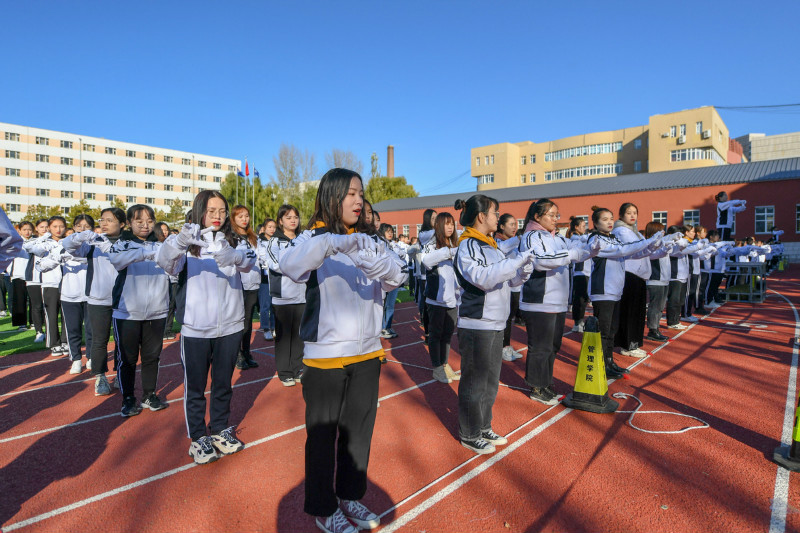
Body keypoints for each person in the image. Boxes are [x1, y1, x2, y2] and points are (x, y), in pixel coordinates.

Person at [279, 168, 406, 533]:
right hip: (326, 358)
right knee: (322, 438)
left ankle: (350, 495)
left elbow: (397, 276)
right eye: (350, 193)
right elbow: (290, 266)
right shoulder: (311, 237)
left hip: (368, 353)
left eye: (360, 193)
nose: (358, 200)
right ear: (332, 196)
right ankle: (324, 507)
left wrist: (373, 261)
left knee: (358, 435)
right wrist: (333, 242)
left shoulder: (371, 240)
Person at [157, 190, 256, 464]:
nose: (218, 216)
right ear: (200, 210)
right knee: (196, 387)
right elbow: (165, 263)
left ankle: (221, 429)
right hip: (196, 328)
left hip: (231, 326)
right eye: (212, 211)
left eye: (222, 211)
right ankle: (198, 437)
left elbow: (250, 263)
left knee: (224, 384)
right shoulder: (188, 242)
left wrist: (233, 256)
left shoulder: (235, 239)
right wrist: (178, 241)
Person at [453, 195, 534, 454]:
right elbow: (483, 278)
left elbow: (509, 282)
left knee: (490, 381)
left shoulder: (492, 245)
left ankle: (483, 425)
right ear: (481, 216)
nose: (498, 217)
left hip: (496, 321)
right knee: (474, 381)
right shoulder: (468, 246)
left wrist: (523, 270)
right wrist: (515, 262)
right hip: (477, 322)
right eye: (495, 212)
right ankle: (469, 432)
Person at [518, 199, 598, 404]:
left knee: (553, 345)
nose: (555, 219)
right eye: (551, 215)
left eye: (557, 215)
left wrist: (594, 247)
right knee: (540, 346)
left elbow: (577, 247)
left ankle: (546, 382)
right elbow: (541, 261)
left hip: (557, 300)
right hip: (539, 300)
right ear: (537, 217)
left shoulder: (558, 238)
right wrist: (572, 254)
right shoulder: (531, 236)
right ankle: (536, 386)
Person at [109, 205, 171, 417]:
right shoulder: (122, 244)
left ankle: (149, 394)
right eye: (139, 221)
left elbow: (174, 267)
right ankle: (128, 398)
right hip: (127, 312)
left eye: (149, 221)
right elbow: (117, 261)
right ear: (129, 223)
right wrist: (146, 252)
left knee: (152, 356)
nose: (145, 225)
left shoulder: (162, 246)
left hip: (157, 311)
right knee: (127, 358)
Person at [587, 207, 663, 379]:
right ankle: (601, 364)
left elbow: (634, 253)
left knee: (612, 329)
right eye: (604, 219)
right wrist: (648, 241)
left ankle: (609, 361)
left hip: (615, 290)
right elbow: (622, 251)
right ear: (596, 223)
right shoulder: (595, 239)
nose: (609, 222)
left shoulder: (613, 238)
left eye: (611, 218)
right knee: (604, 330)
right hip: (603, 290)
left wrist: (653, 245)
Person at [62, 207, 126, 395]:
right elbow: (68, 247)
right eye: (102, 220)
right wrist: (79, 236)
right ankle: (100, 377)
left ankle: (121, 374)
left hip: (124, 299)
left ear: (122, 224)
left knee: (124, 342)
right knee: (99, 341)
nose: (104, 223)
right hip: (98, 300)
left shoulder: (129, 243)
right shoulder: (94, 243)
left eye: (109, 220)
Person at [263, 204, 307, 385]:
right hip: (282, 296)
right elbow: (274, 264)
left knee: (299, 335)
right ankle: (284, 371)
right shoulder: (275, 241)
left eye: (295, 217)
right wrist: (297, 267)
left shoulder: (303, 240)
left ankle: (297, 368)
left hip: (302, 294)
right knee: (283, 336)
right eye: (288, 217)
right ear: (280, 221)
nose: (293, 220)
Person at [49, 214, 95, 374]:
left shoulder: (95, 246)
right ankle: (76, 358)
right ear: (74, 227)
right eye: (79, 226)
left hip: (91, 295)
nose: (83, 229)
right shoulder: (63, 244)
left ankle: (90, 357)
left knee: (91, 329)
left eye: (87, 226)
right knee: (73, 329)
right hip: (69, 294)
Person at [420, 211, 460, 383]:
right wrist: (449, 252)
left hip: (453, 298)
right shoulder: (431, 243)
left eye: (452, 224)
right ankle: (437, 367)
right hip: (436, 298)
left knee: (447, 334)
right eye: (446, 223)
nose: (450, 227)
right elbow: (427, 261)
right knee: (436, 334)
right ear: (438, 225)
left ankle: (444, 364)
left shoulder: (454, 243)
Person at [24, 216, 69, 356]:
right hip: (50, 283)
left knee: (67, 314)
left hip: (68, 283)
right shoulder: (44, 243)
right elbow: (28, 247)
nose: (58, 229)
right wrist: (45, 236)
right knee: (51, 314)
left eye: (61, 226)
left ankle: (65, 341)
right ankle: (54, 343)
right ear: (49, 228)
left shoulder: (68, 242)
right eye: (54, 226)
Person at [612, 203, 651, 357]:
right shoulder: (621, 231)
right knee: (630, 311)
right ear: (621, 215)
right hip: (630, 274)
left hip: (638, 275)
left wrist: (660, 245)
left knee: (638, 311)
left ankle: (633, 342)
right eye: (628, 213)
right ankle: (628, 344)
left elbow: (645, 249)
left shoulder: (635, 232)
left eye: (635, 212)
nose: (632, 216)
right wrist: (651, 243)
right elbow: (635, 248)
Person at [230, 205, 261, 370]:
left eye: (247, 215)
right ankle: (238, 354)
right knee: (239, 321)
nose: (244, 219)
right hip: (238, 284)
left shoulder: (252, 237)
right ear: (233, 218)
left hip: (252, 283)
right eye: (240, 216)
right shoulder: (231, 238)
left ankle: (247, 352)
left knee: (248, 322)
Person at [496, 214, 523, 362]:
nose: (515, 227)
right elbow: (502, 251)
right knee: (504, 318)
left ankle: (506, 346)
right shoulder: (498, 242)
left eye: (515, 224)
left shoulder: (511, 243)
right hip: (505, 287)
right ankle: (502, 347)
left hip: (515, 286)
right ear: (501, 226)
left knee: (509, 317)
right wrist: (519, 238)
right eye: (511, 224)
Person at [644, 222, 673, 342]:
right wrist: (665, 249)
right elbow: (654, 256)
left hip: (664, 279)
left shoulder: (661, 243)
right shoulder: (650, 244)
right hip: (655, 280)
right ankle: (652, 330)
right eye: (661, 230)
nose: (663, 233)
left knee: (660, 307)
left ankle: (656, 328)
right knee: (655, 307)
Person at [24, 219, 50, 344]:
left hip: (49, 279)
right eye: (41, 227)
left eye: (46, 227)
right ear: (37, 229)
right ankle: (39, 332)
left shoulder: (53, 242)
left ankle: (50, 331)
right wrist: (42, 238)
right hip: (33, 278)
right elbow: (28, 248)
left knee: (49, 306)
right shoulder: (32, 241)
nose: (44, 229)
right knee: (37, 306)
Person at [378, 223, 403, 339]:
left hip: (395, 279)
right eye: (387, 231)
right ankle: (382, 327)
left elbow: (402, 254)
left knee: (390, 305)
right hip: (384, 279)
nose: (390, 233)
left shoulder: (393, 245)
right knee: (383, 304)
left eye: (391, 231)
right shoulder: (380, 244)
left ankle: (387, 326)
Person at [8, 221, 33, 331]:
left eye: (29, 229)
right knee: (19, 300)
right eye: (24, 229)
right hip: (18, 274)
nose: (27, 232)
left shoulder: (36, 242)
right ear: (20, 231)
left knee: (33, 300)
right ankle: (21, 323)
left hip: (33, 276)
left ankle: (34, 322)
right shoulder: (15, 243)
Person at [567, 216, 590, 333]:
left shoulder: (582, 239)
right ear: (576, 227)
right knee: (579, 298)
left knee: (584, 298)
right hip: (580, 272)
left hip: (587, 272)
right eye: (583, 225)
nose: (585, 228)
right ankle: (577, 322)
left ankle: (580, 321)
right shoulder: (575, 239)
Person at [257, 218, 277, 340]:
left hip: (275, 277)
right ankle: (265, 328)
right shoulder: (259, 241)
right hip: (264, 278)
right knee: (265, 305)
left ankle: (274, 327)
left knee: (274, 305)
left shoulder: (277, 241)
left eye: (274, 227)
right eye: (269, 227)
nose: (272, 229)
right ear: (264, 228)